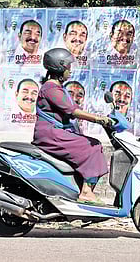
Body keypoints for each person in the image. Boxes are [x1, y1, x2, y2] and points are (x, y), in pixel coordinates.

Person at [32, 48, 112, 204]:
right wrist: (98, 118)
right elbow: (73, 111)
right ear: (59, 66)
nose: (70, 70)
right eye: (68, 66)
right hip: (51, 134)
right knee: (93, 146)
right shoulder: (50, 88)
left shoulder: (56, 88)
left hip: (55, 133)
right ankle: (87, 193)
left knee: (89, 143)